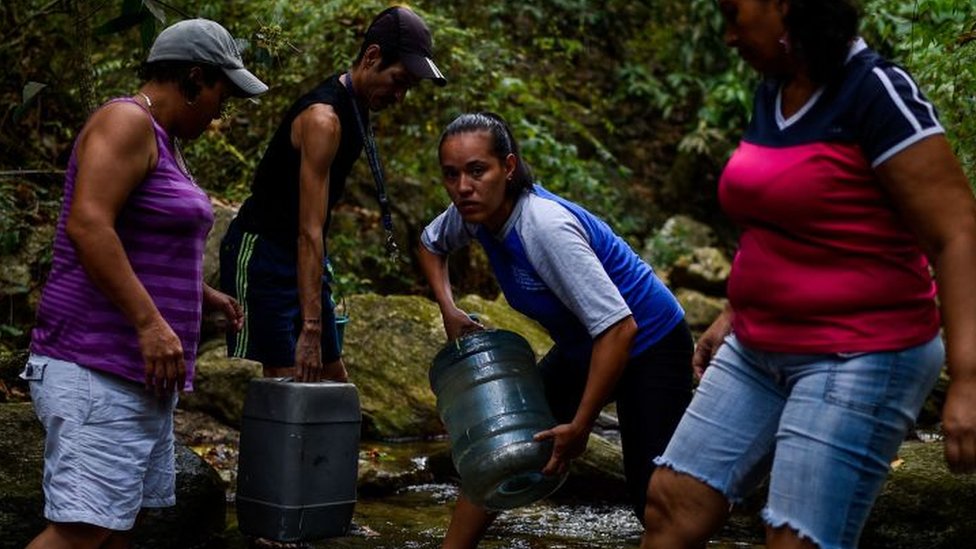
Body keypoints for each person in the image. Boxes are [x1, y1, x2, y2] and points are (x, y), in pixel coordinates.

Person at [642, 1, 976, 548]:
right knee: (672, 504)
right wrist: (733, 311)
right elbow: (774, 217)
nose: (727, 36)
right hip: (757, 348)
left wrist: (968, 379)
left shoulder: (874, 91)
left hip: (861, 352)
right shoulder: (773, 89)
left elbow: (957, 232)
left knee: (795, 540)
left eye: (733, 14)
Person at [21, 18, 266, 548]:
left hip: (136, 375)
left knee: (115, 530)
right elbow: (88, 224)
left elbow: (134, 239)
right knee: (81, 530)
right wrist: (150, 322)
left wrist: (199, 295)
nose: (222, 110)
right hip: (96, 364)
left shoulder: (164, 139)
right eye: (221, 94)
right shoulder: (125, 121)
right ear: (195, 78)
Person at [418, 112, 694, 548]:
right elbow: (430, 244)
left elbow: (621, 329)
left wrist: (581, 426)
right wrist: (449, 309)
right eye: (451, 175)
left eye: (476, 171)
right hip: (586, 343)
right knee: (498, 448)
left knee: (652, 499)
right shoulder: (472, 212)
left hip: (651, 345)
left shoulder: (543, 227)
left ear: (508, 168)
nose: (463, 187)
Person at [220, 6, 446, 383]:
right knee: (289, 385)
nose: (401, 96)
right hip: (265, 252)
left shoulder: (357, 105)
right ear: (372, 57)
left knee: (335, 383)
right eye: (398, 80)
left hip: (302, 254)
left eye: (409, 86)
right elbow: (309, 228)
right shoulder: (323, 120)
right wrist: (310, 329)